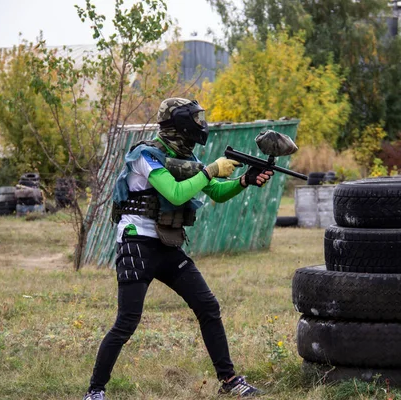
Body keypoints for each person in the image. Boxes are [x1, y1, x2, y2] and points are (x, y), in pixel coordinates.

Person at [83, 98, 273, 400]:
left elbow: (218, 193)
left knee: (207, 306)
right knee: (127, 322)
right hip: (136, 245)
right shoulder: (145, 155)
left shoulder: (184, 158)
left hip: (167, 244)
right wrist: (210, 170)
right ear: (180, 124)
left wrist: (245, 181)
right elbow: (174, 191)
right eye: (196, 119)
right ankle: (95, 391)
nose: (201, 124)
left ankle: (229, 381)